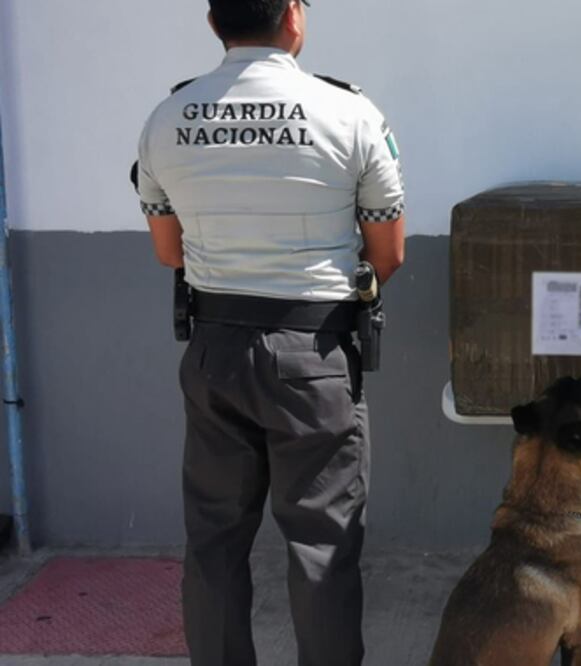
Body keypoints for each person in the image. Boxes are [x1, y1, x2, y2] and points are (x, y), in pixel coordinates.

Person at [135, 1, 405, 663]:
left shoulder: (168, 116)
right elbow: (388, 253)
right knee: (323, 545)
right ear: (292, 14)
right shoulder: (350, 113)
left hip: (215, 350)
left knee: (214, 542)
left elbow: (168, 252)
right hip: (313, 353)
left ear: (213, 21)